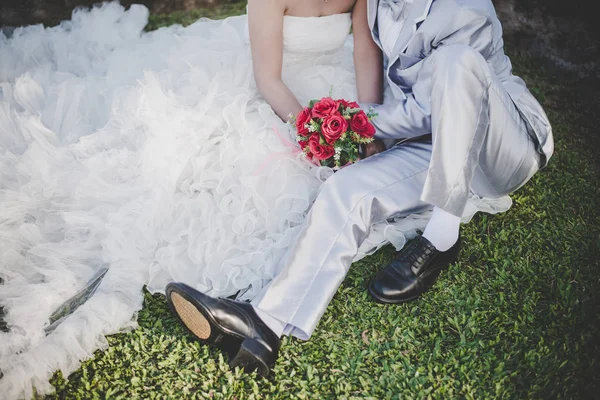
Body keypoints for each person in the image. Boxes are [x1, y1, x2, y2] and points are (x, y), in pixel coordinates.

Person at [0, 0, 508, 397]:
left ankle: (262, 319)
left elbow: (364, 65)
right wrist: (311, 133)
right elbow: (269, 78)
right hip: (284, 93)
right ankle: (260, 316)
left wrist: (363, 130)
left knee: (344, 180)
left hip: (341, 90)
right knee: (238, 172)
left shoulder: (365, 2)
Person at [165, 0, 553, 377]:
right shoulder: (375, 2)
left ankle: (442, 236)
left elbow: (439, 104)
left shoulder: (467, 7)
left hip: (502, 147)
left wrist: (347, 123)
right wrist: (353, 136)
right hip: (431, 143)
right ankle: (265, 322)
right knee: (345, 187)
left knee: (458, 61)